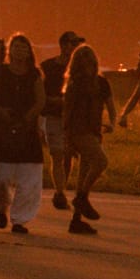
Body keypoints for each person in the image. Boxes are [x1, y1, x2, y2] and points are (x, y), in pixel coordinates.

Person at [0, 33, 45, 234]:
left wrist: (30, 117)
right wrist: (1, 111)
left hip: (27, 130)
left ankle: (20, 220)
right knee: (2, 175)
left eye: (24, 47)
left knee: (30, 176)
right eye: (16, 47)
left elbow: (40, 100)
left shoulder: (34, 74)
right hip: (4, 128)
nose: (20, 51)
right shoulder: (0, 71)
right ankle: (0, 207)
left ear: (29, 51)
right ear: (10, 51)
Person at [60, 43, 115, 235]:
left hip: (92, 132)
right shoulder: (75, 85)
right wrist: (67, 137)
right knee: (101, 162)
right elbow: (67, 112)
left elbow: (109, 104)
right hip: (79, 132)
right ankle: (81, 198)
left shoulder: (100, 83)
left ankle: (76, 220)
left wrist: (112, 122)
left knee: (83, 175)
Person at [39, 30, 81, 213]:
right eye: (71, 43)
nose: (73, 47)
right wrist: (54, 101)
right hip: (54, 115)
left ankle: (61, 188)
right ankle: (60, 192)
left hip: (72, 118)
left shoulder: (80, 68)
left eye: (76, 44)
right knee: (56, 154)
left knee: (68, 155)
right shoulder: (48, 67)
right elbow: (40, 94)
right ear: (63, 45)